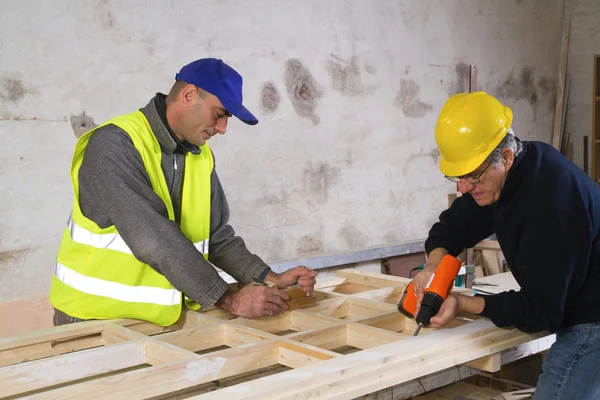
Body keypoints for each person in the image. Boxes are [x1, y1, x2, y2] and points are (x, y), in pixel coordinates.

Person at [49, 58, 317, 327]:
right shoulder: (114, 145)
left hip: (158, 322)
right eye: (220, 114)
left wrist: (268, 277)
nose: (223, 129)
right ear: (189, 95)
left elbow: (215, 236)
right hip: (92, 321)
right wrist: (229, 299)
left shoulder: (199, 155)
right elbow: (152, 239)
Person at [413, 91, 600, 399]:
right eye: (457, 176)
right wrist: (433, 265)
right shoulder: (504, 176)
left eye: (472, 177)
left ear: (507, 158)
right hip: (566, 300)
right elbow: (453, 226)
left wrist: (463, 303)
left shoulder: (549, 204)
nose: (463, 187)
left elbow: (541, 310)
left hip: (591, 315)